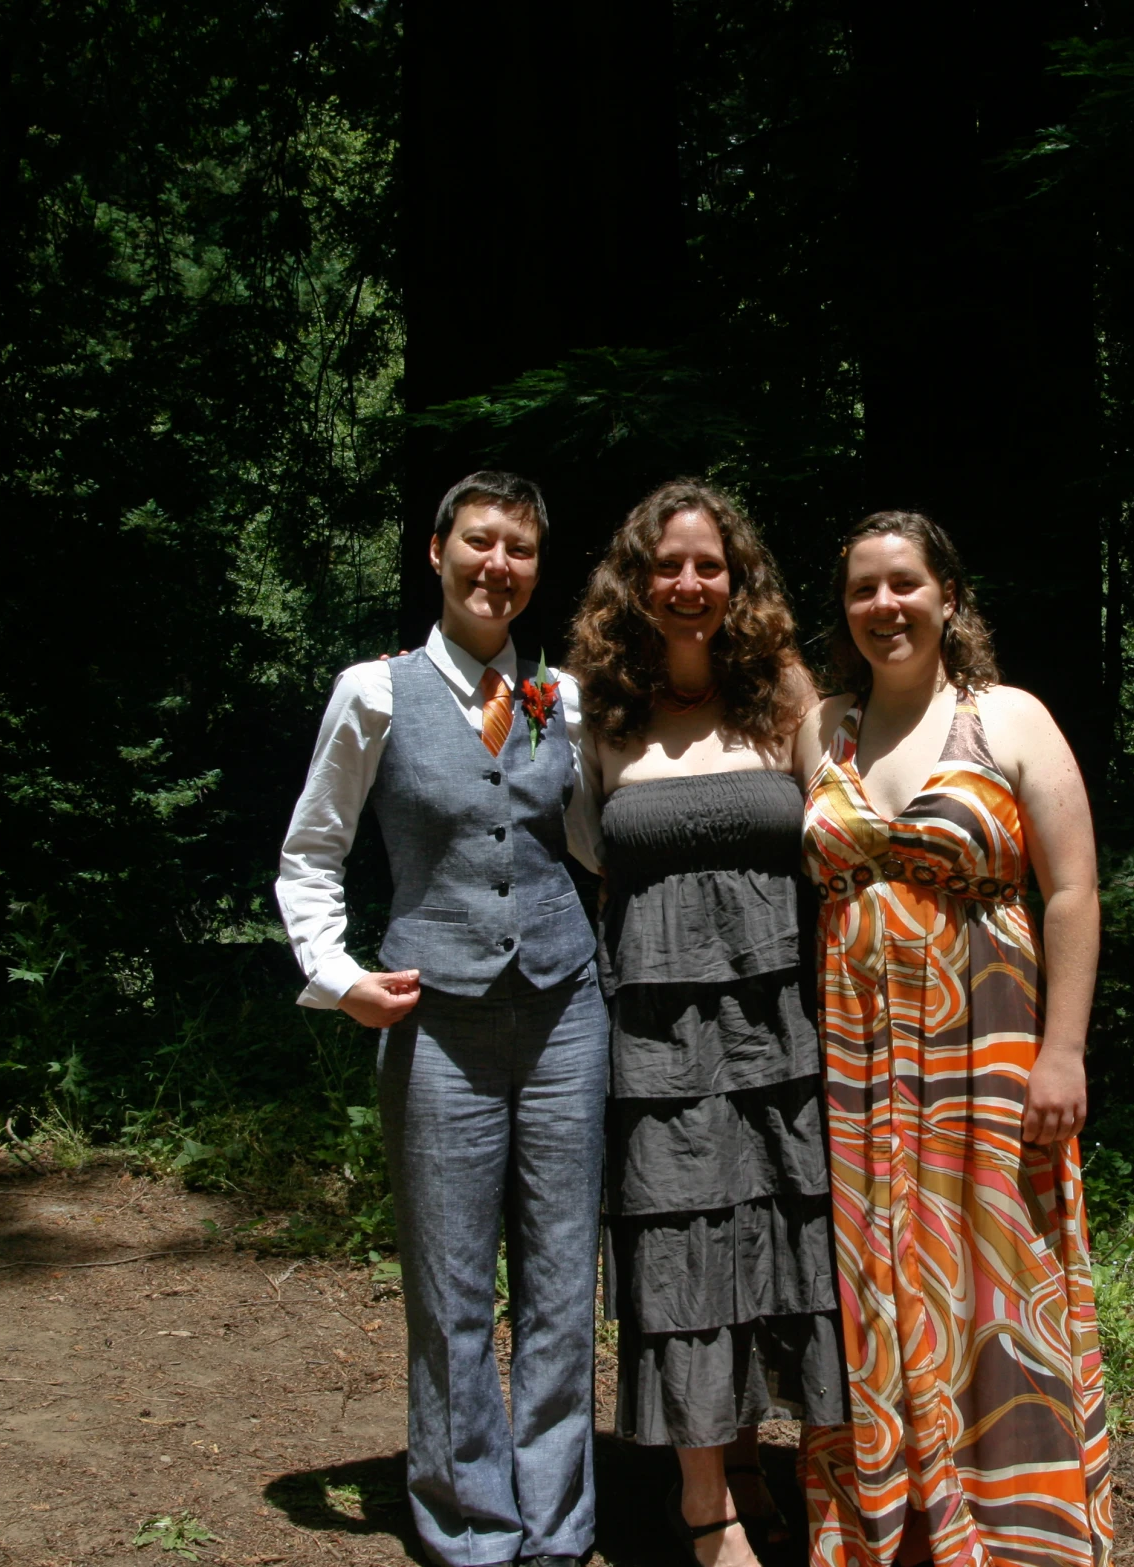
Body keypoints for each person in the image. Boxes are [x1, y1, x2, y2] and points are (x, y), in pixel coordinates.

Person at [275, 470, 606, 1567]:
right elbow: (311, 851)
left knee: (562, 1282)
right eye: (478, 541)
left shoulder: (564, 698)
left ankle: (556, 1531)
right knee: (452, 1283)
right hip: (435, 1024)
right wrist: (339, 975)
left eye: (518, 548)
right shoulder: (374, 691)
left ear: (534, 570)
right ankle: (470, 1526)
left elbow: (594, 847)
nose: (496, 564)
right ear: (435, 551)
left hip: (566, 1014)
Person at [794, 512, 1113, 1567]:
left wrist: (1062, 1051)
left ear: (947, 597)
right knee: (872, 1281)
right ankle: (899, 1529)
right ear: (844, 611)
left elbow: (1070, 890)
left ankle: (1022, 1533)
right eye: (862, 590)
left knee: (997, 1278)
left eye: (904, 584)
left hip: (990, 1049)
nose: (884, 606)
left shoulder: (1007, 717)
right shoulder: (821, 728)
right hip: (856, 1059)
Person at [568, 479, 843, 1567]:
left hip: (783, 1021)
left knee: (782, 1239)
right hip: (655, 1033)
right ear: (634, 583)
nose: (688, 585)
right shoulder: (603, 708)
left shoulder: (784, 693)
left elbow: (842, 833)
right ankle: (704, 1506)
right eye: (666, 566)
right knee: (682, 1249)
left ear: (739, 580)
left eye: (708, 565)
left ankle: (755, 1458)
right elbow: (585, 855)